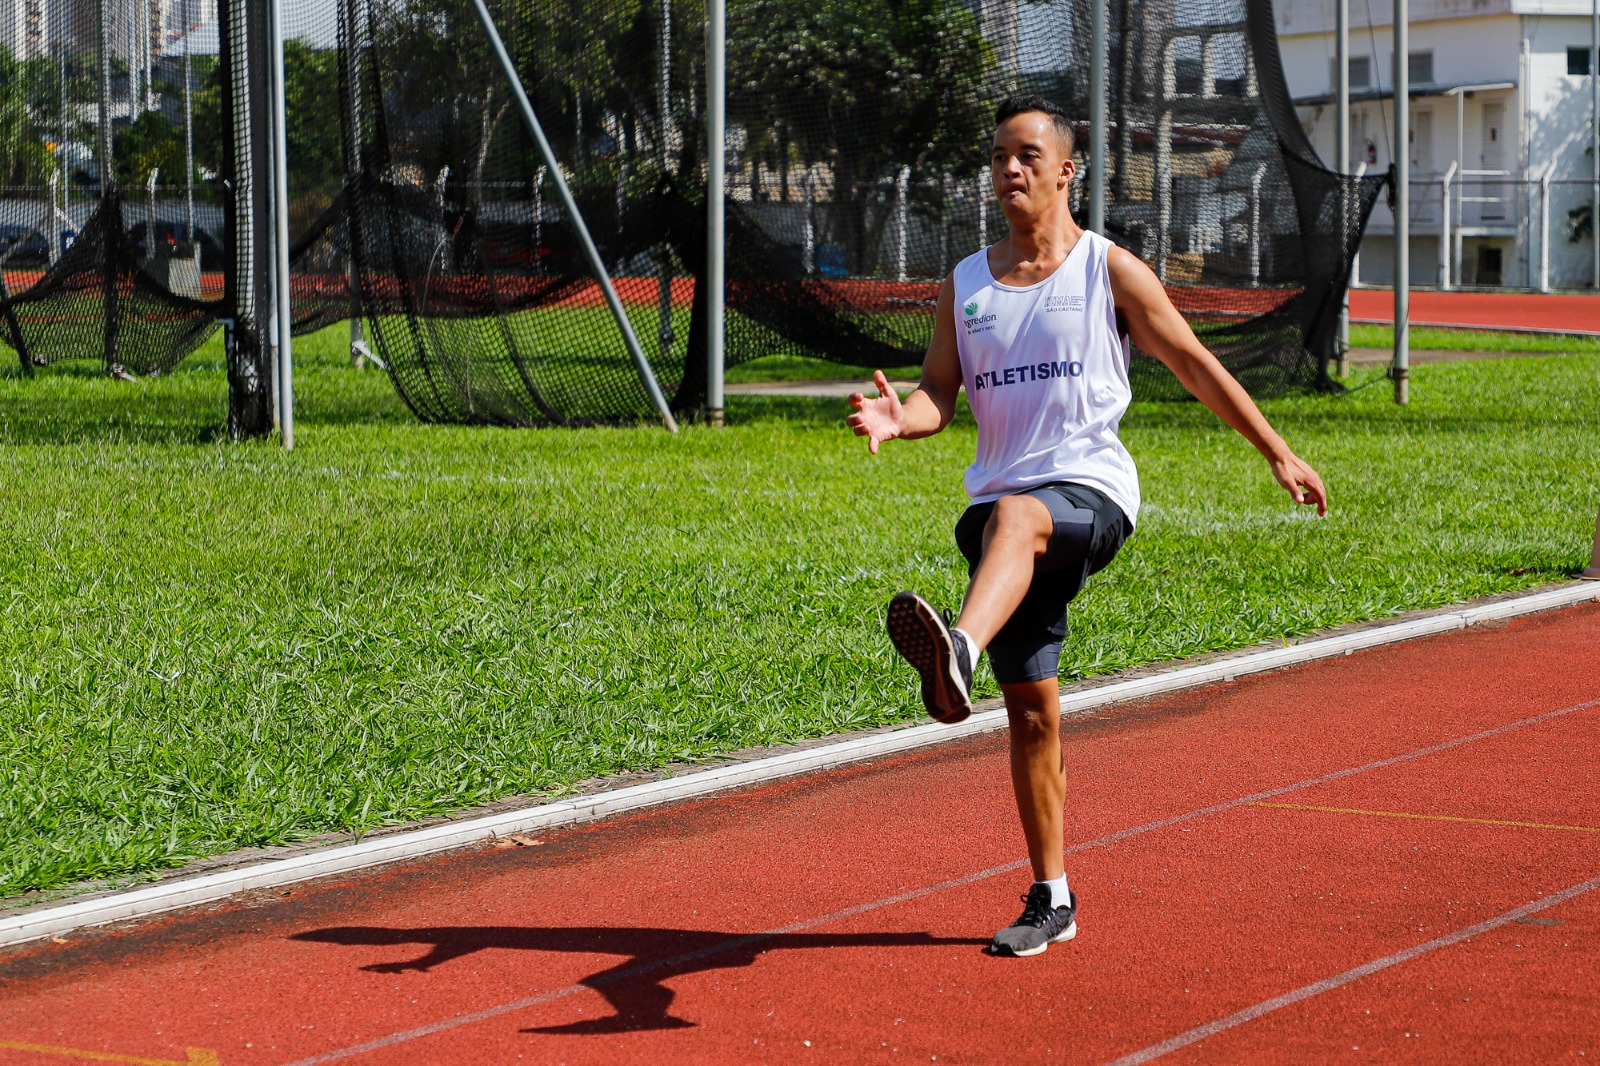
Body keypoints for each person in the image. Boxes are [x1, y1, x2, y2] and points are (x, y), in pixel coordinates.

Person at [846, 95, 1328, 958]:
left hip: (1088, 496)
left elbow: (1193, 361)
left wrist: (1277, 451)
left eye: (1027, 155)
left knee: (1025, 515)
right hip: (998, 522)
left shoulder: (1108, 269)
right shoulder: (967, 284)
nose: (1009, 170)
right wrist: (897, 421)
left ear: (1068, 170)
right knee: (1032, 713)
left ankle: (955, 649)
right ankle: (1053, 897)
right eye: (998, 156)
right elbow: (937, 396)